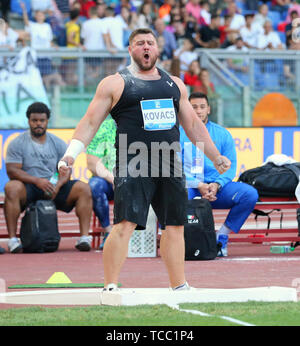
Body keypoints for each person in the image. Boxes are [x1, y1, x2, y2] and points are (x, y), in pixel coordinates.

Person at [58, 28, 231, 291]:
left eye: (150, 43)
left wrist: (216, 156)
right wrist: (70, 154)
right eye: (140, 43)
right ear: (131, 50)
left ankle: (179, 286)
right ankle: (110, 286)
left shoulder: (174, 84)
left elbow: (193, 124)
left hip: (170, 162)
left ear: (158, 49)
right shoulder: (115, 83)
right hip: (133, 162)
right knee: (124, 224)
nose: (146, 47)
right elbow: (90, 122)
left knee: (175, 225)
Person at [4, 102, 93, 253]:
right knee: (11, 187)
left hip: (52, 185)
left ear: (47, 121)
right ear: (29, 121)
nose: (38, 124)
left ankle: (84, 238)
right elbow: (12, 171)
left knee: (83, 188)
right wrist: (37, 181)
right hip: (29, 186)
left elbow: (65, 170)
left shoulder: (57, 143)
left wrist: (56, 185)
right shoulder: (17, 143)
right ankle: (13, 240)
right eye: (35, 120)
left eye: (42, 120)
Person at [180, 92, 259, 256]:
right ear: (187, 110)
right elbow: (174, 168)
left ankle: (221, 236)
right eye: (193, 107)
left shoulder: (222, 134)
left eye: (202, 107)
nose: (198, 111)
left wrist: (216, 184)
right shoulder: (178, 134)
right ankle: (187, 242)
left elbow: (231, 166)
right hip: (192, 188)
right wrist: (198, 184)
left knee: (249, 194)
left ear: (209, 109)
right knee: (173, 195)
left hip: (217, 189)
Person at [86, 115, 116, 250]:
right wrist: (113, 179)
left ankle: (137, 233)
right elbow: (92, 163)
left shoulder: (142, 125)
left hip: (136, 180)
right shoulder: (103, 128)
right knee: (94, 186)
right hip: (108, 181)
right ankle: (108, 231)